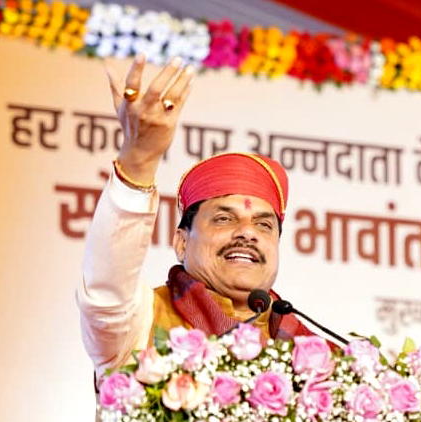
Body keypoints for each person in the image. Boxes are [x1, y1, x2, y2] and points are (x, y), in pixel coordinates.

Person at [76, 57, 325, 369]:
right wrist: (139, 160)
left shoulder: (318, 357)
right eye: (224, 218)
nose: (248, 232)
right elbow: (105, 294)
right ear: (182, 243)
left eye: (264, 225)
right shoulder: (140, 322)